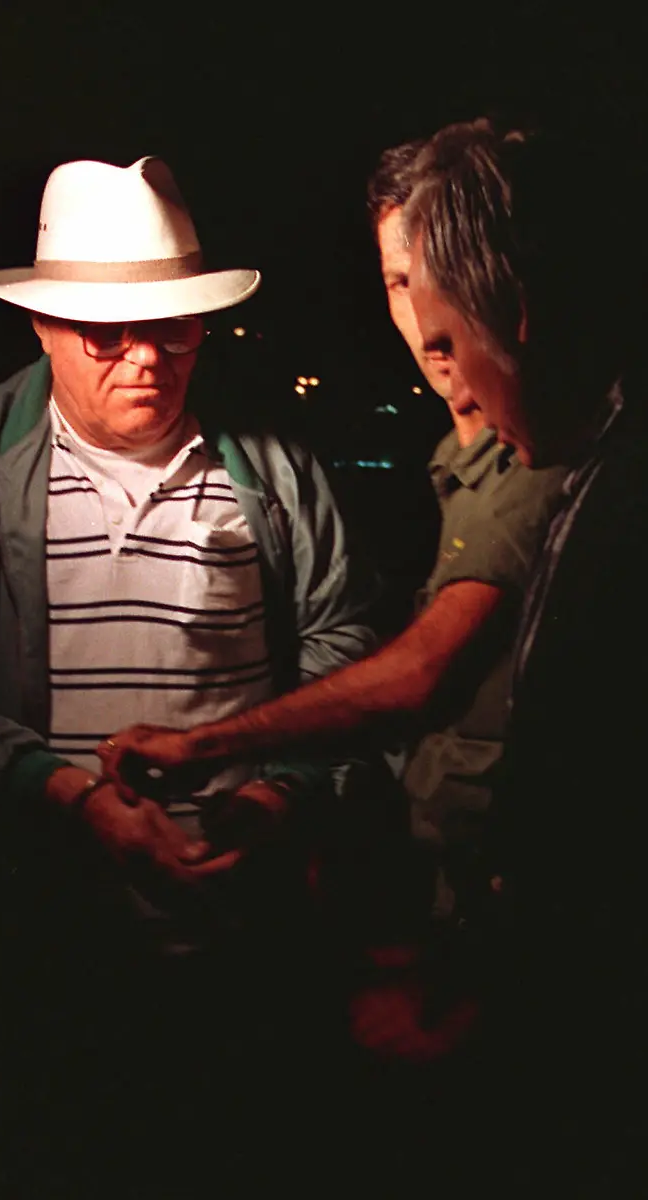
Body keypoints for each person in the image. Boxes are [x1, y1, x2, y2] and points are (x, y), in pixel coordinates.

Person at [0, 155, 376, 1196]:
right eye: (107, 332)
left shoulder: (278, 468)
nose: (146, 357)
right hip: (39, 964)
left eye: (174, 327)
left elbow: (346, 651)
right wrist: (74, 801)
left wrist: (283, 797)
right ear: (43, 326)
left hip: (247, 961)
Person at [104, 140, 566, 943]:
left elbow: (415, 671)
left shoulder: (538, 454)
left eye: (443, 278)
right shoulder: (453, 460)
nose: (429, 322)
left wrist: (219, 754)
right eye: (400, 281)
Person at [400, 119, 648, 1185]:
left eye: (451, 342)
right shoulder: (598, 466)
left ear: (523, 317)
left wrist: (493, 1006)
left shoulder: (625, 499)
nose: (451, 382)